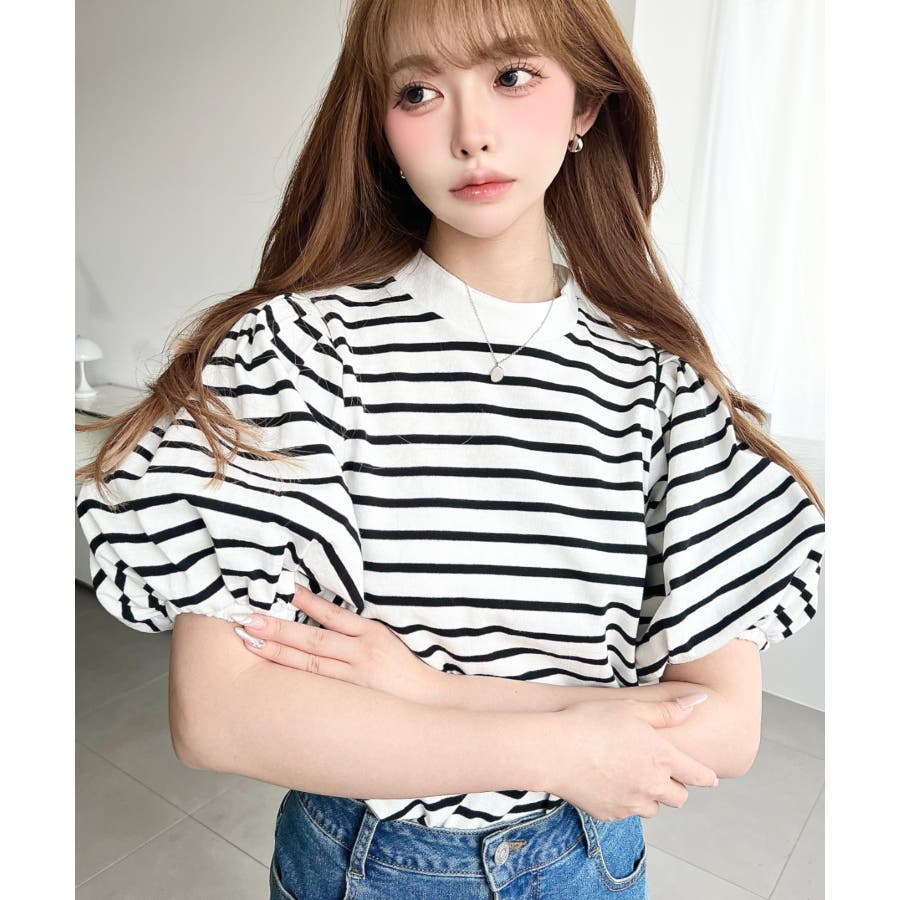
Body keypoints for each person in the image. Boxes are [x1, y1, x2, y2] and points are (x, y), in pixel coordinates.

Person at [75, 0, 826, 897]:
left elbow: (726, 727)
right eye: (419, 92)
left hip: (591, 860)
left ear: (587, 104)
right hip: (368, 862)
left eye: (513, 76)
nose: (471, 134)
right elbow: (219, 715)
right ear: (382, 128)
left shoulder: (660, 383)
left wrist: (432, 692)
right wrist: (562, 744)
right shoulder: (297, 349)